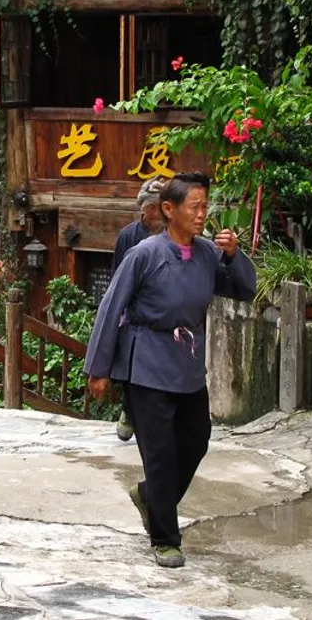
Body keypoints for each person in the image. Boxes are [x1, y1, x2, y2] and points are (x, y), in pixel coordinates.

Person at [86, 172, 256, 569]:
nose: (202, 215)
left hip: (187, 364)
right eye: (195, 207)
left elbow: (244, 289)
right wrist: (99, 369)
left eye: (204, 207)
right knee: (160, 454)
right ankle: (165, 538)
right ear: (169, 210)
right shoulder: (144, 254)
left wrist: (234, 257)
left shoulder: (207, 254)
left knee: (195, 441)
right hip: (146, 361)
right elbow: (112, 308)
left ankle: (150, 497)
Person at [110, 176, 167, 442]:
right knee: (130, 370)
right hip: (133, 315)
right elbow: (116, 280)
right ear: (146, 209)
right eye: (156, 207)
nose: (161, 212)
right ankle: (128, 410)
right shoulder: (128, 236)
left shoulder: (173, 235)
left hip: (164, 315)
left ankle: (152, 421)